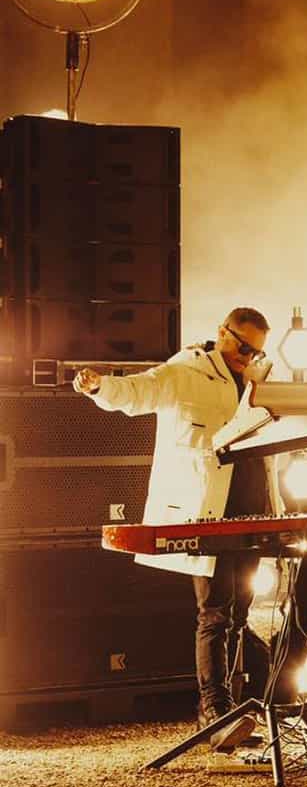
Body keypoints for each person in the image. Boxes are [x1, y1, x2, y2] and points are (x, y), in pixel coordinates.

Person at [74, 307, 282, 749]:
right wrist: (100, 386)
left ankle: (234, 709)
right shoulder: (187, 370)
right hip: (210, 513)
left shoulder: (257, 380)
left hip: (252, 510)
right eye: (242, 345)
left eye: (255, 351)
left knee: (239, 614)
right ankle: (215, 711)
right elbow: (141, 390)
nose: (246, 356)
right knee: (216, 613)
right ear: (222, 332)